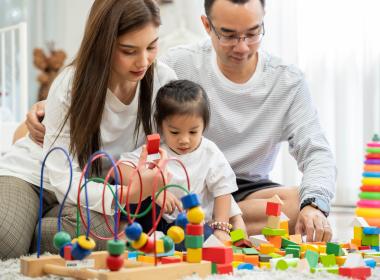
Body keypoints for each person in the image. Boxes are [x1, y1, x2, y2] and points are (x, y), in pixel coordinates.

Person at [25, 0, 336, 242]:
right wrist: (48, 105)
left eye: (253, 33)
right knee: (139, 215)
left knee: (295, 202)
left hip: (246, 186)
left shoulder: (287, 81)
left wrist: (315, 205)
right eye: (228, 34)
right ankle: (209, 223)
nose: (242, 46)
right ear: (206, 25)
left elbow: (317, 151)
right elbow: (116, 81)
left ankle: (211, 222)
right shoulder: (174, 65)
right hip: (184, 177)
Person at [0, 0, 177, 260]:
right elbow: (62, 178)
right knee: (5, 241)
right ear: (103, 44)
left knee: (103, 234)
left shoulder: (163, 82)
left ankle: (26, 226)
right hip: (32, 176)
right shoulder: (71, 84)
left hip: (84, 191)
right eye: (128, 50)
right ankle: (18, 224)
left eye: (151, 46)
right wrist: (128, 194)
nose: (143, 61)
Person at [120, 79, 246, 243]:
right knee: (133, 193)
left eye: (193, 132)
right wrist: (155, 191)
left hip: (194, 223)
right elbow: (122, 167)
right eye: (174, 132)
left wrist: (221, 228)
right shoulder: (157, 150)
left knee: (206, 239)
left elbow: (223, 190)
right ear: (161, 125)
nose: (184, 140)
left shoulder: (209, 152)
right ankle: (128, 235)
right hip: (158, 221)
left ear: (204, 125)